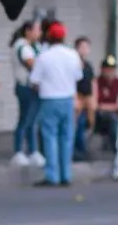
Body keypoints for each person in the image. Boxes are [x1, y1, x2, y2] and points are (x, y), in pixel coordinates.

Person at [29, 22, 81, 187]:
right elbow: (78, 77)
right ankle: (66, 174)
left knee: (50, 137)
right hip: (68, 99)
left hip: (49, 99)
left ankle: (52, 175)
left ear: (49, 37)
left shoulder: (44, 56)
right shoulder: (73, 55)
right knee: (67, 138)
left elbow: (35, 81)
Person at [10, 20, 45, 167]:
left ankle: (33, 150)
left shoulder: (36, 46)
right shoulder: (22, 47)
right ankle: (18, 151)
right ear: (28, 31)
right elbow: (34, 66)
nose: (40, 33)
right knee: (25, 119)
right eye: (37, 30)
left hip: (35, 88)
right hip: (26, 87)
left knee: (33, 121)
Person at [73, 36, 96, 162]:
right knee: (78, 124)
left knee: (86, 124)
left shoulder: (88, 65)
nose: (85, 50)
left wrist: (93, 99)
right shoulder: (74, 63)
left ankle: (83, 149)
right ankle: (77, 150)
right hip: (78, 98)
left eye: (87, 47)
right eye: (82, 47)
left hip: (87, 98)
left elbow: (92, 82)